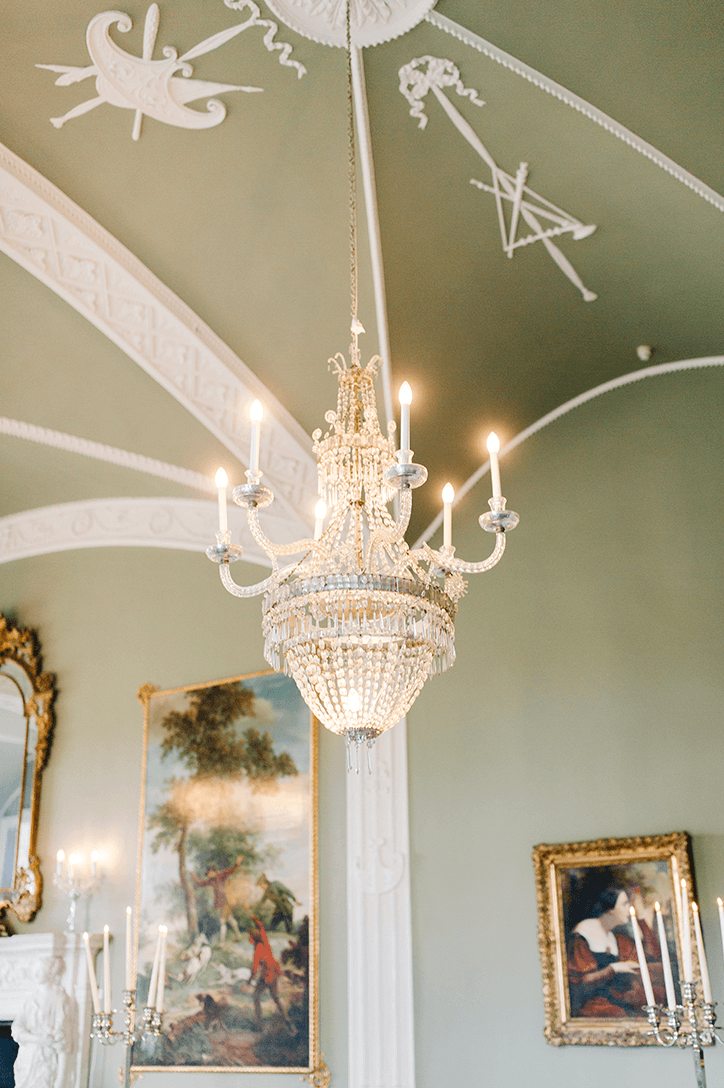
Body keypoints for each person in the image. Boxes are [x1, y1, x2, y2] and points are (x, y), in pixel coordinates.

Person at [567, 885, 665, 1018]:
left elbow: (654, 954)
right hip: (593, 1004)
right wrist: (614, 968)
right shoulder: (583, 934)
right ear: (610, 909)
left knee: (659, 995)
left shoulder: (617, 938)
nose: (629, 909)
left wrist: (640, 916)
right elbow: (582, 983)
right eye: (624, 904)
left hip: (617, 997)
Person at [11, 956, 73, 1088]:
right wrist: (38, 1039)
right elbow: (16, 1030)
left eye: (41, 970)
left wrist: (61, 1078)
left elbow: (63, 1042)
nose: (36, 973)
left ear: (50, 972)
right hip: (26, 1057)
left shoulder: (59, 999)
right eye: (35, 970)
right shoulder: (30, 1000)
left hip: (46, 1060)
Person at [246, 914, 293, 1033]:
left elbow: (254, 970)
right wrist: (254, 918)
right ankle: (288, 1020)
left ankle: (260, 1025)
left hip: (267, 975)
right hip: (274, 972)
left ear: (253, 938)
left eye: (250, 936)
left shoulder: (257, 949)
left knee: (256, 996)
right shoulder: (265, 940)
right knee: (276, 998)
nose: (249, 938)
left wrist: (248, 982)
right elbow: (261, 927)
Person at [192, 856, 244, 943]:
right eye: (208, 874)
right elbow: (201, 883)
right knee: (230, 919)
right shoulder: (211, 880)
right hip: (220, 902)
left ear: (213, 871)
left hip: (226, 900)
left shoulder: (221, 875)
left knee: (222, 921)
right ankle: (238, 935)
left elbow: (231, 871)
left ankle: (222, 942)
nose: (209, 875)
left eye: (210, 873)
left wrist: (237, 863)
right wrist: (194, 877)